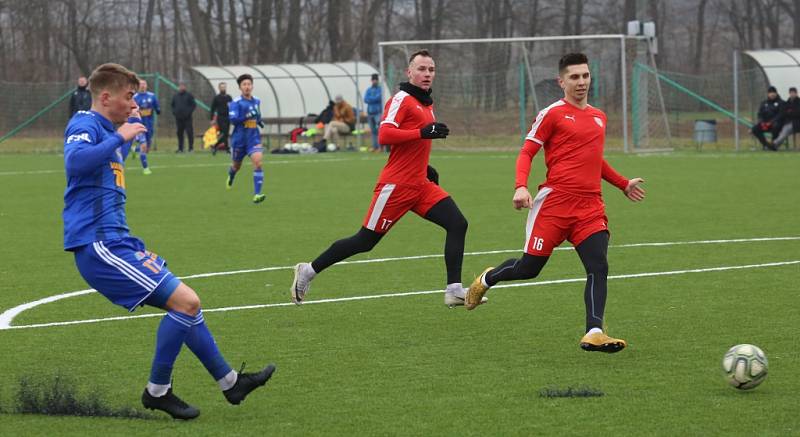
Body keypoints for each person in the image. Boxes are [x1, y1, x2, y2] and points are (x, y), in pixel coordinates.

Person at [62, 63, 275, 420]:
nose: (135, 105)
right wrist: (121, 136)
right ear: (105, 96)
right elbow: (76, 162)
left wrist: (121, 134)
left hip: (120, 241)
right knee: (187, 302)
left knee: (189, 308)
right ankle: (157, 390)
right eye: (129, 98)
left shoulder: (107, 127)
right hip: (99, 245)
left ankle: (230, 382)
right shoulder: (86, 124)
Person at [464, 53, 646, 354]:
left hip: (590, 207)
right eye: (574, 77)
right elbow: (526, 152)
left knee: (598, 266)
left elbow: (594, 159)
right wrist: (520, 186)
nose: (581, 82)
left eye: (585, 76)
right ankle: (487, 278)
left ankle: (594, 331)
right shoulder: (552, 114)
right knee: (529, 268)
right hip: (555, 204)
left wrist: (622, 183)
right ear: (561, 81)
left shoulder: (599, 116)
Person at [291, 49, 481, 308]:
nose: (427, 74)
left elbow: (413, 143)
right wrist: (422, 133)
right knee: (365, 241)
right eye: (421, 69)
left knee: (458, 223)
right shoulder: (400, 99)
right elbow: (385, 135)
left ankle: (454, 290)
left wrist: (426, 167)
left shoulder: (426, 103)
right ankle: (308, 270)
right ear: (409, 72)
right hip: (396, 186)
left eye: (431, 70)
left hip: (420, 184)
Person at [226, 74, 266, 204]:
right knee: (236, 166)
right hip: (239, 140)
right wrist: (248, 116)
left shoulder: (257, 101)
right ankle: (231, 174)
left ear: (252, 86)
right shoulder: (235, 103)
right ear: (240, 87)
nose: (247, 87)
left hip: (253, 138)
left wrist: (259, 121)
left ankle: (257, 194)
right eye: (244, 84)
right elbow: (233, 120)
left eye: (249, 84)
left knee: (258, 162)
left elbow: (257, 115)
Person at [132, 79, 160, 175]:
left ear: (146, 86)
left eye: (144, 84)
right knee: (143, 146)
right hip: (139, 125)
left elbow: (157, 108)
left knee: (147, 148)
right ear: (138, 86)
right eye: (141, 84)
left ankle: (135, 149)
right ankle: (146, 168)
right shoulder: (135, 97)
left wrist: (157, 110)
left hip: (149, 124)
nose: (143, 86)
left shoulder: (152, 96)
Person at [751, 86, 784, 151]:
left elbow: (780, 115)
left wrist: (771, 122)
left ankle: (773, 144)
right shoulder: (764, 103)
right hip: (765, 124)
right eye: (770, 92)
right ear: (768, 94)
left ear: (776, 93)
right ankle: (766, 145)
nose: (772, 94)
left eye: (774, 92)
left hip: (775, 124)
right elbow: (760, 114)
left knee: (776, 126)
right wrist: (762, 122)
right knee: (755, 129)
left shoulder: (781, 102)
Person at [171, 82, 196, 152]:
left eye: (183, 86)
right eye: (180, 86)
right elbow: (172, 105)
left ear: (185, 87)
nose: (181, 88)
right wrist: (175, 112)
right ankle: (180, 148)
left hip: (187, 118)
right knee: (179, 133)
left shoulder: (189, 95)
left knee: (189, 133)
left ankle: (191, 148)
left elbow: (193, 105)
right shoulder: (175, 96)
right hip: (178, 118)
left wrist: (188, 112)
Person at [209, 82, 233, 155]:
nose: (223, 88)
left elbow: (232, 107)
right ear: (219, 88)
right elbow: (212, 109)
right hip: (221, 117)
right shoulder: (217, 98)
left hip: (228, 117)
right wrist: (212, 119)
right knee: (224, 133)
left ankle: (215, 146)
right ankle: (227, 149)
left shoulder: (229, 97)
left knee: (226, 134)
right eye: (222, 87)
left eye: (224, 87)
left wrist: (233, 116)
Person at [364, 73, 385, 152]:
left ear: (377, 80)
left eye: (375, 80)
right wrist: (373, 99)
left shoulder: (380, 89)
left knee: (380, 130)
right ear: (371, 80)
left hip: (378, 112)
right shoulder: (368, 90)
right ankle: (375, 146)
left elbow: (378, 98)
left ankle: (381, 147)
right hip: (370, 113)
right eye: (373, 80)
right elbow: (365, 99)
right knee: (373, 131)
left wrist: (371, 99)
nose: (374, 81)